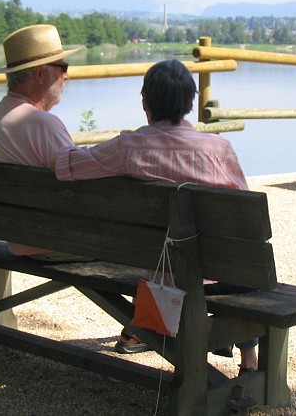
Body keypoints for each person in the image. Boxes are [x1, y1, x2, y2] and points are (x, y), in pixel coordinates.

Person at [53, 59, 258, 374]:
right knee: (248, 271)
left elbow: (67, 167)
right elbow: (246, 221)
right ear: (190, 102)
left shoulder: (128, 148)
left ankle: (143, 330)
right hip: (216, 275)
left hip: (157, 273)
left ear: (145, 102)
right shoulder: (219, 149)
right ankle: (250, 360)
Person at [0, 23, 89, 262]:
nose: (67, 75)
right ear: (39, 74)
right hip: (57, 242)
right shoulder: (43, 124)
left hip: (15, 239)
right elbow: (83, 186)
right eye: (62, 68)